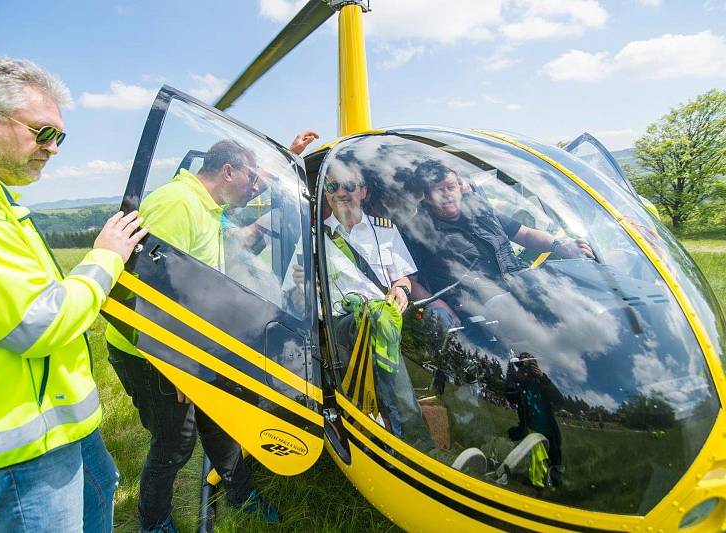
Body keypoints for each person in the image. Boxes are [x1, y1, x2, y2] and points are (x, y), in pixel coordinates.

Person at [0, 54, 147, 532]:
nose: (54, 148)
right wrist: (106, 256)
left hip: (51, 423)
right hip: (16, 445)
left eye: (59, 136)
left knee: (101, 492)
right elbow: (39, 322)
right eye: (43, 132)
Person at [104, 132, 318, 532]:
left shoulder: (208, 204)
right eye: (252, 179)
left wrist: (287, 161)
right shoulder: (176, 204)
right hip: (149, 351)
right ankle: (153, 522)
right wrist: (180, 364)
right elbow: (147, 290)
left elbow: (209, 260)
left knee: (222, 421)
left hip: (194, 346)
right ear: (228, 171)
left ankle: (240, 495)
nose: (257, 189)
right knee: (175, 443)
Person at [404, 160, 594, 331]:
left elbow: (525, 235)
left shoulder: (480, 210)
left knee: (580, 302)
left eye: (451, 187)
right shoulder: (417, 230)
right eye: (439, 190)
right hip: (478, 305)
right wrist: (436, 303)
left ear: (459, 188)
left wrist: (560, 246)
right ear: (426, 197)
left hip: (521, 282)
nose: (447, 195)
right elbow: (408, 280)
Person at [320, 154, 423, 440]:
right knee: (375, 324)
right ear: (326, 194)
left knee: (379, 323)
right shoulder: (317, 237)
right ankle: (409, 438)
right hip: (341, 326)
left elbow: (404, 277)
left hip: (383, 323)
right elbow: (295, 289)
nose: (341, 192)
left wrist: (400, 290)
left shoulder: (384, 230)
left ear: (363, 191)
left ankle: (404, 437)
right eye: (333, 187)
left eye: (349, 185)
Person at [504, 352, 564, 489]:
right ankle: (535, 482)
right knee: (535, 458)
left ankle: (556, 487)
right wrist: (514, 379)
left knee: (554, 463)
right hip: (531, 431)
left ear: (535, 365)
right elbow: (509, 397)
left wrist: (543, 378)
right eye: (522, 364)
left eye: (528, 364)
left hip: (550, 432)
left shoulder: (541, 382)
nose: (524, 370)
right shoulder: (521, 385)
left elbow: (560, 401)